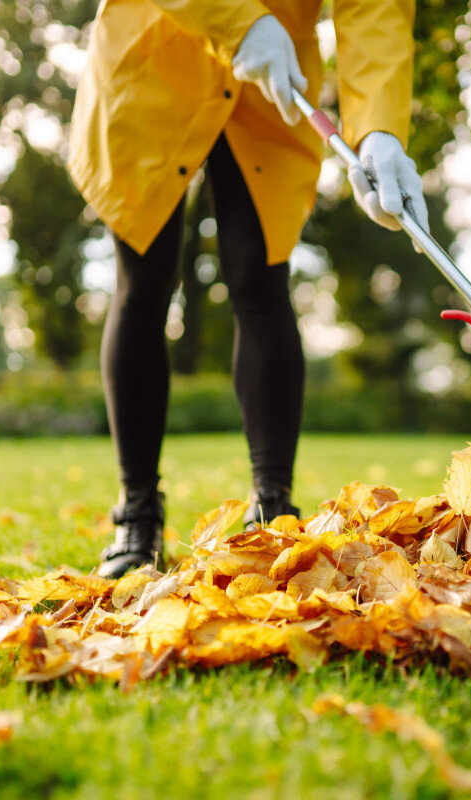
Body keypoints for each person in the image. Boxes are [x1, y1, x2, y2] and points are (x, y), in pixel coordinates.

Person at [67, 0, 428, 578]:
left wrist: (380, 131)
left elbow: (376, 9)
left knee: (261, 281)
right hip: (158, 52)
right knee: (143, 283)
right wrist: (239, 20)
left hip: (274, 81)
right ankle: (137, 516)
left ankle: (272, 514)